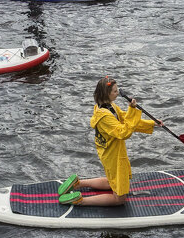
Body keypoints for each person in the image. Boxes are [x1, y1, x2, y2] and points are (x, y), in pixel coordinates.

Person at [57, 76, 160, 207]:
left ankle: (78, 184)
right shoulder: (104, 116)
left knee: (112, 181)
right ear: (107, 93)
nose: (118, 93)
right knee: (120, 199)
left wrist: (152, 124)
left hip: (109, 151)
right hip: (113, 155)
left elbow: (124, 119)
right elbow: (123, 132)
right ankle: (80, 201)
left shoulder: (108, 106)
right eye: (115, 91)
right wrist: (133, 110)